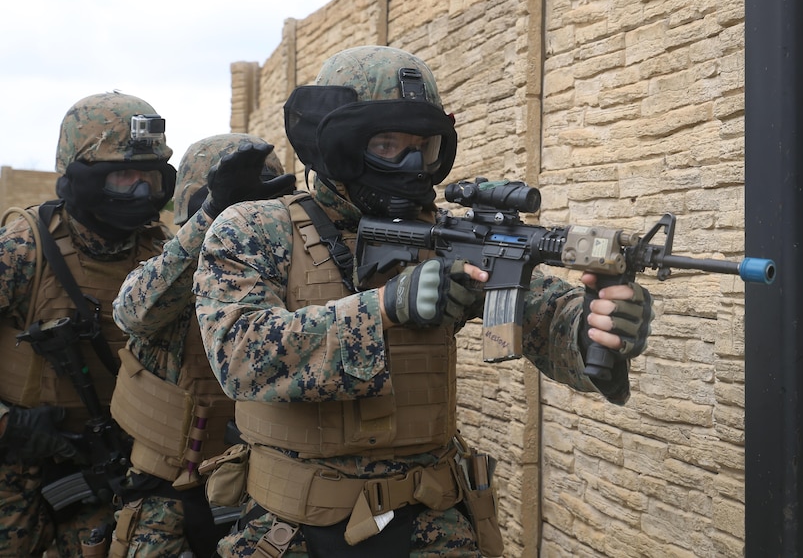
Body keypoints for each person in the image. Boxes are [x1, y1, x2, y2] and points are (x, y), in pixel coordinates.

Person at [192, 45, 655, 557]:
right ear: (341, 145)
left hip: (431, 521)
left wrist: (594, 327)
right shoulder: (257, 228)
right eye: (388, 144)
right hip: (290, 528)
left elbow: (543, 309)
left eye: (424, 146)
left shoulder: (443, 233)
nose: (411, 163)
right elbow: (239, 355)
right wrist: (385, 309)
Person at [0, 92, 176, 557]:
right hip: (15, 462)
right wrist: (9, 426)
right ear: (84, 178)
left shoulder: (163, 256)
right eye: (124, 176)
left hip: (111, 463)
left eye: (150, 178)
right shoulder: (23, 250)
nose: (140, 192)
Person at [109, 133, 296, 557]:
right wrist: (212, 217)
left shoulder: (291, 267)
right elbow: (134, 311)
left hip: (266, 497)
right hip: (166, 497)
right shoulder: (169, 268)